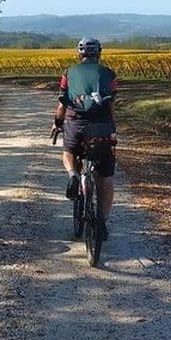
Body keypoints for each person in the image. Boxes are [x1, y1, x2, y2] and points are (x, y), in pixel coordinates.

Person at [54, 37, 117, 239]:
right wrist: (112, 127)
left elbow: (62, 104)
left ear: (79, 54)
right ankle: (102, 223)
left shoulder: (68, 73)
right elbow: (111, 105)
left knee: (69, 152)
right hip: (102, 127)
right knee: (105, 178)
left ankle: (73, 174)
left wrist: (57, 124)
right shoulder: (108, 74)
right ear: (99, 53)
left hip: (76, 123)